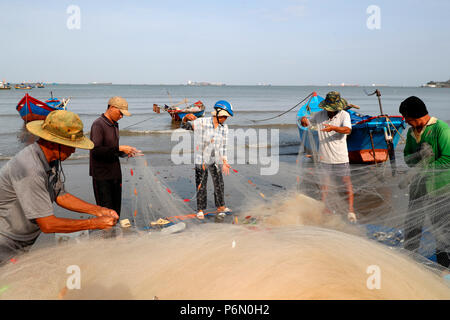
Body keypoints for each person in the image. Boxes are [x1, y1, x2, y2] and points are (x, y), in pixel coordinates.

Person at [0, 110, 118, 265]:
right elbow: (47, 225)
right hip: (5, 242)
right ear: (53, 142)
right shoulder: (31, 169)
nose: (74, 150)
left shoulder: (50, 160)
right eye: (71, 145)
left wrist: (99, 210)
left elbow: (60, 195)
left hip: (22, 240)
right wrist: (94, 223)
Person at [399, 96, 450, 268]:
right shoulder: (412, 133)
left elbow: (448, 159)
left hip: (440, 188)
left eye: (409, 120)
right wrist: (417, 158)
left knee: (442, 228)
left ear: (418, 116)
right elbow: (407, 156)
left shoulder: (440, 129)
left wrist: (422, 169)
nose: (408, 123)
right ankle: (409, 258)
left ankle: (444, 264)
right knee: (412, 224)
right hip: (418, 189)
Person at [300, 91, 356, 223]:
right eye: (329, 109)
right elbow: (307, 122)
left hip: (340, 158)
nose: (330, 112)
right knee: (324, 184)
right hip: (324, 158)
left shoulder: (344, 115)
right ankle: (323, 207)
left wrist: (334, 128)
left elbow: (348, 130)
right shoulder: (320, 115)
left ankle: (351, 210)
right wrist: (303, 120)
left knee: (346, 183)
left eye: (333, 109)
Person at [89, 96, 142, 217]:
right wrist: (119, 148)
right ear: (112, 108)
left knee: (116, 209)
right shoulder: (98, 124)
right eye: (120, 113)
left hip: (115, 173)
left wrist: (126, 153)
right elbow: (96, 150)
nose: (121, 116)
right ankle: (107, 234)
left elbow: (112, 150)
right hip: (101, 175)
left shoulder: (115, 125)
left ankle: (115, 232)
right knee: (106, 211)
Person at [181, 100, 233, 221]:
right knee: (201, 184)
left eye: (227, 116)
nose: (225, 118)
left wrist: (225, 162)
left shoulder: (224, 128)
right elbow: (184, 126)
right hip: (201, 160)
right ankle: (200, 210)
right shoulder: (201, 122)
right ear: (217, 113)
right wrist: (185, 118)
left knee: (219, 183)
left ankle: (221, 206)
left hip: (216, 159)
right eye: (224, 116)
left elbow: (223, 146)